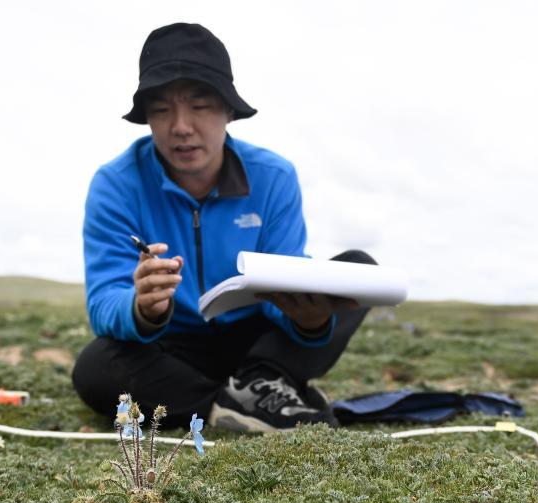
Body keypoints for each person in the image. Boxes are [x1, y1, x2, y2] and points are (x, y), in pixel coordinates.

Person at [72, 22, 375, 432]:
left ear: (228, 111)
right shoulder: (115, 184)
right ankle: (244, 402)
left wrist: (310, 319)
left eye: (199, 106)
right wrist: (141, 308)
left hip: (258, 343)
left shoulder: (274, 176)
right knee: (94, 368)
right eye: (161, 110)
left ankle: (260, 382)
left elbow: (285, 277)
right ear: (147, 118)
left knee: (358, 268)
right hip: (171, 346)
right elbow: (104, 301)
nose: (181, 126)